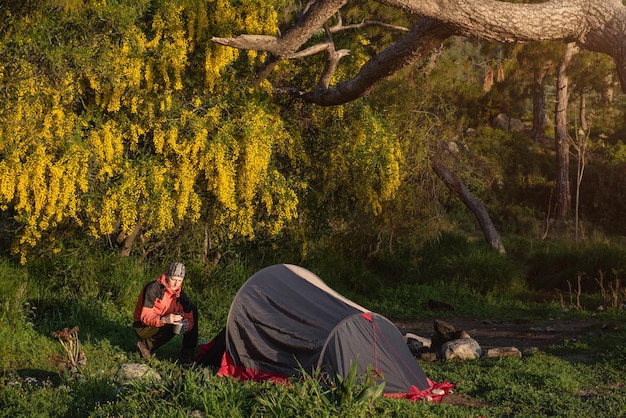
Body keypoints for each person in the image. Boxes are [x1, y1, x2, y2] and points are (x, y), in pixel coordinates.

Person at [133, 262, 198, 364]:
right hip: (142, 326)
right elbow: (145, 317)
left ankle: (188, 351)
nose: (176, 284)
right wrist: (164, 319)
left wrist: (187, 326)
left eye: (180, 281)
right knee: (171, 323)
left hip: (160, 322)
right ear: (167, 276)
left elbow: (189, 317)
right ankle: (145, 346)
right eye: (173, 279)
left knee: (192, 309)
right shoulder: (153, 289)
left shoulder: (180, 295)